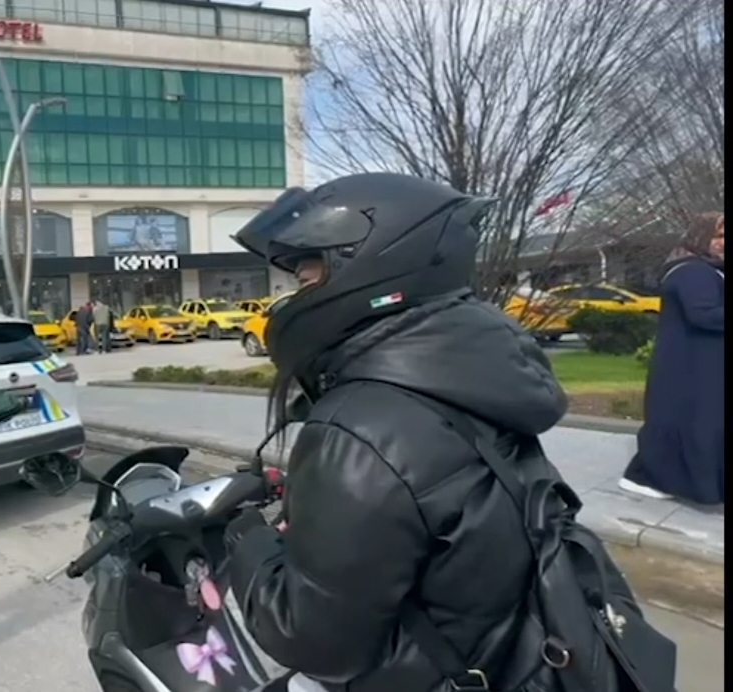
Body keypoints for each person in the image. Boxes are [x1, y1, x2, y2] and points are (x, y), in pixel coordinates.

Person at [223, 174, 576, 691]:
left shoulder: (359, 428)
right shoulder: (475, 373)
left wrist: (245, 538)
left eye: (304, 278)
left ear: (373, 265)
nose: (290, 298)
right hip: (507, 656)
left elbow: (310, 639)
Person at [620, 213, 724, 504]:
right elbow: (703, 314)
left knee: (700, 424)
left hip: (700, 365)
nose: (723, 244)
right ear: (700, 237)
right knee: (692, 425)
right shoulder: (692, 271)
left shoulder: (707, 269)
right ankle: (650, 478)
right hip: (691, 367)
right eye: (719, 236)